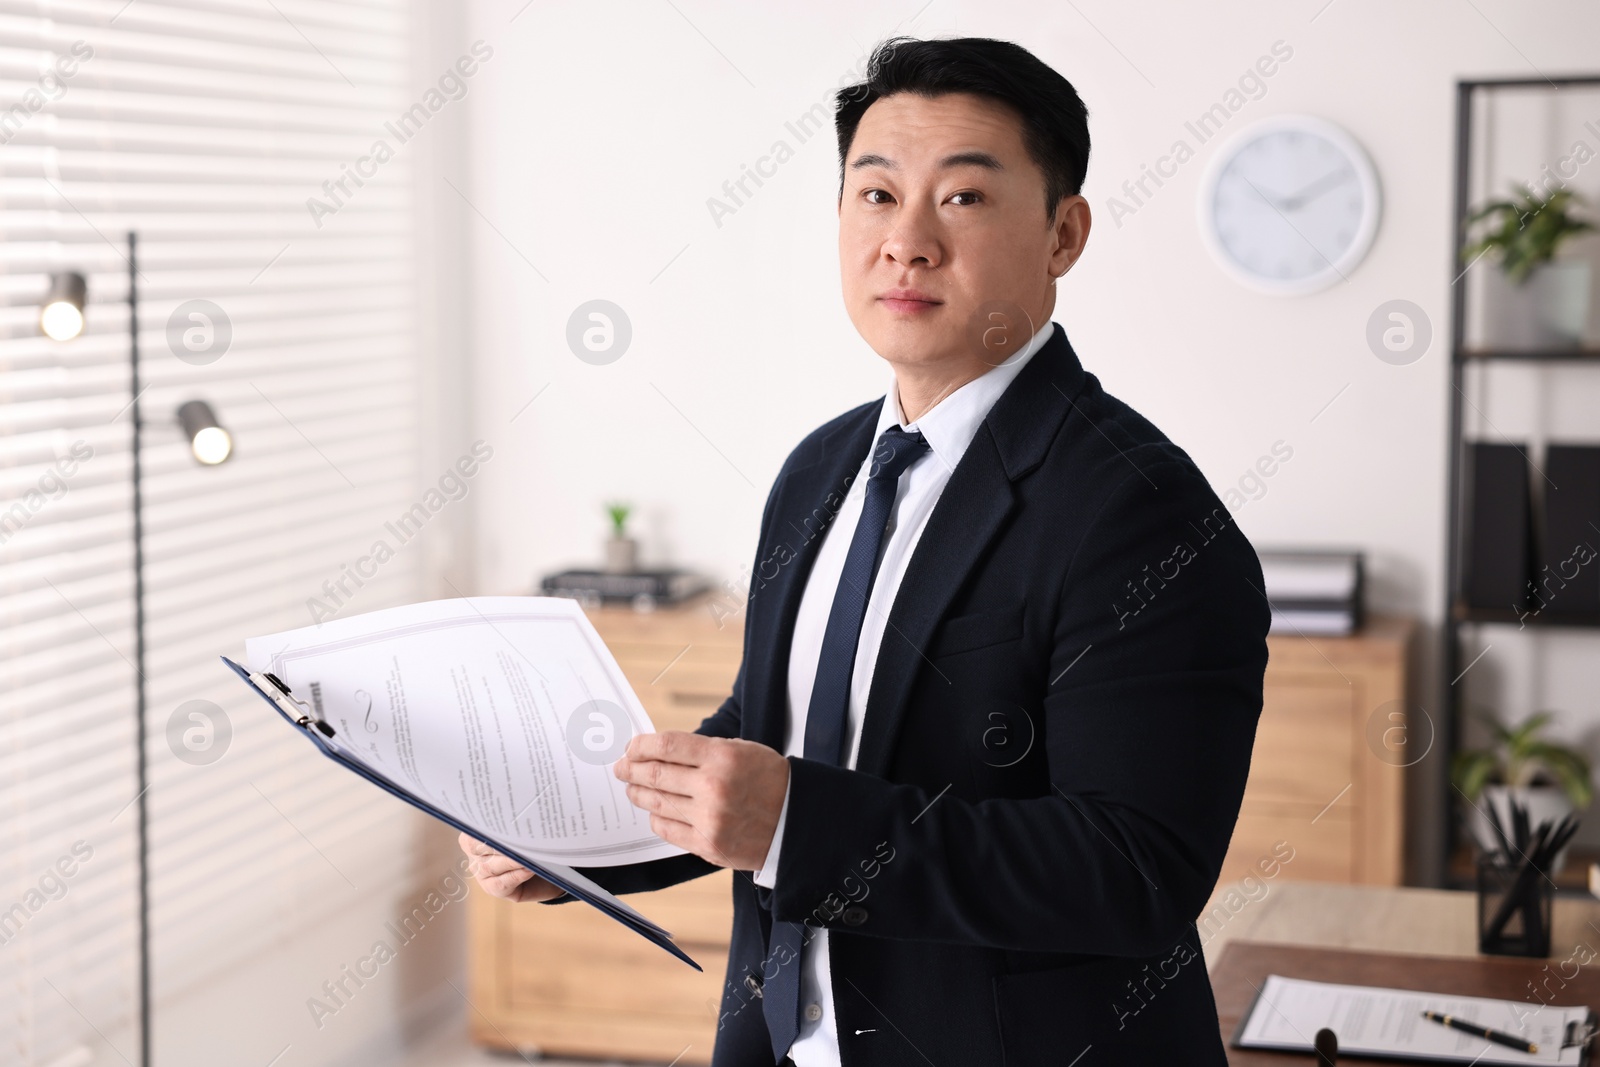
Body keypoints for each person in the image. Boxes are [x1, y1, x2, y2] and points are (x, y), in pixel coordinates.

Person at [463, 35, 1269, 1066]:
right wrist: (577, 844)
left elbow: (1132, 869)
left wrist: (795, 819)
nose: (907, 241)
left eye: (964, 199)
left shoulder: (1140, 510)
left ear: (1063, 232)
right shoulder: (822, 468)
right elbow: (773, 728)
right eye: (876, 195)